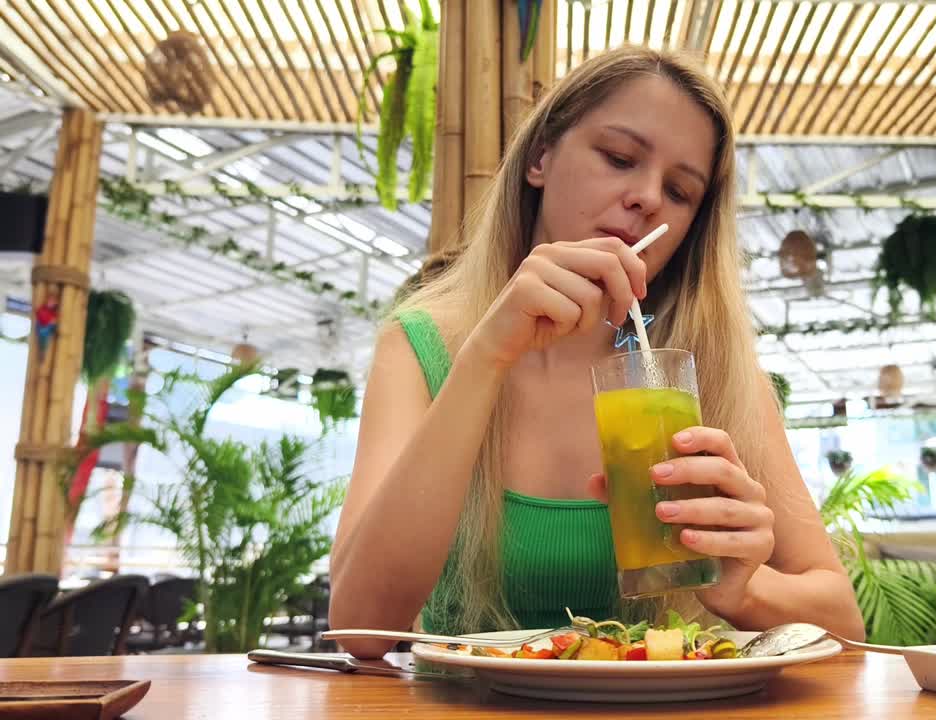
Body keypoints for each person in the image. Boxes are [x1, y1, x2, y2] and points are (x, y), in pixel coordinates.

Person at [329, 46, 863, 659]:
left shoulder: (709, 372)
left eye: (680, 191)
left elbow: (842, 621)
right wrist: (487, 355)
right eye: (618, 158)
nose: (646, 197)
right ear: (540, 158)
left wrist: (746, 587)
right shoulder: (421, 345)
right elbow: (359, 625)